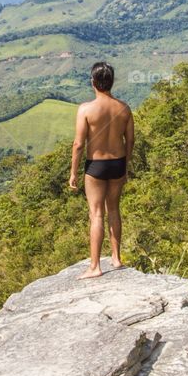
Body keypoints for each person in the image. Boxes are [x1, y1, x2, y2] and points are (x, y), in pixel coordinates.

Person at [69, 62, 134, 279]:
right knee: (114, 209)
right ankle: (116, 259)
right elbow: (130, 140)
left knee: (96, 214)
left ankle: (95, 266)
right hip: (118, 163)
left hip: (96, 165)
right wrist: (126, 165)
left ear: (93, 82)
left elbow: (78, 144)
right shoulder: (124, 108)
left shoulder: (86, 109)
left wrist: (73, 173)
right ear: (111, 82)